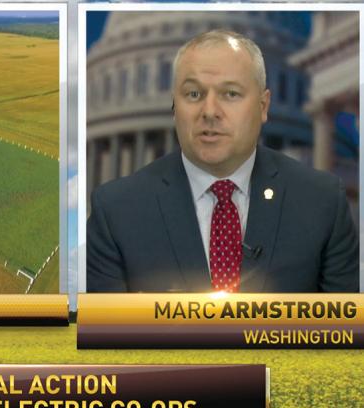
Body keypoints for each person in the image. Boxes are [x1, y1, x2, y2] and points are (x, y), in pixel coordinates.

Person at [87, 30, 358, 293]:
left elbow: (342, 332)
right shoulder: (115, 212)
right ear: (174, 105)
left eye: (231, 94)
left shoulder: (322, 203)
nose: (210, 112)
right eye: (194, 94)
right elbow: (109, 334)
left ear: (263, 106)